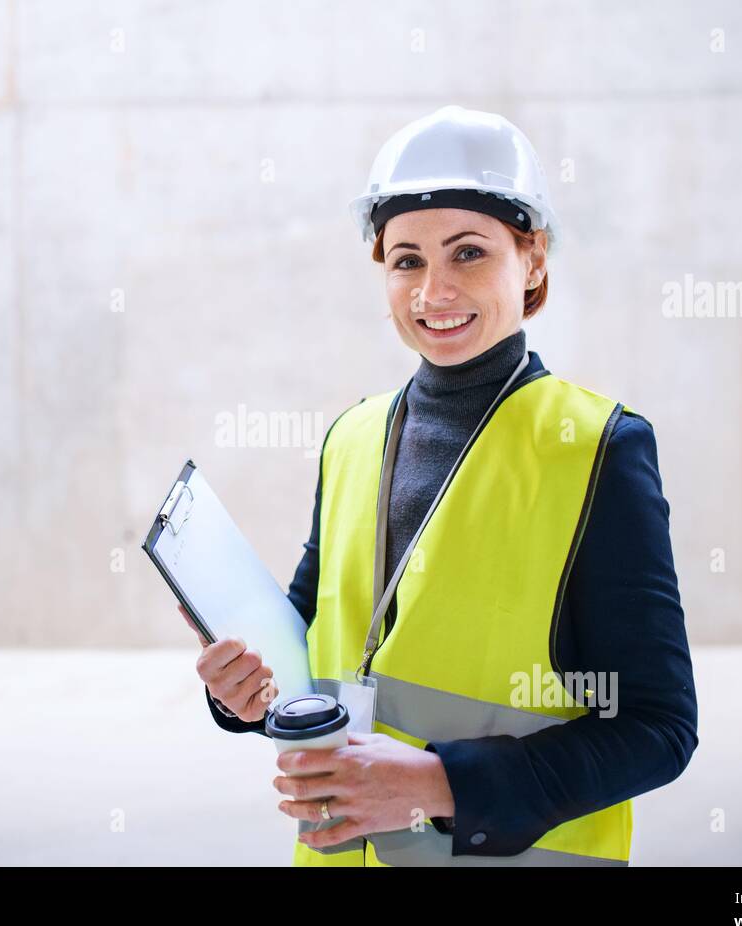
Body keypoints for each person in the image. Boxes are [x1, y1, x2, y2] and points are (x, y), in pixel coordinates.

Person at [186, 106, 698, 867]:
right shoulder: (354, 438)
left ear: (532, 260)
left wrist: (441, 784)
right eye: (407, 260)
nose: (434, 291)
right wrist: (245, 691)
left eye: (468, 253)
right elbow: (320, 637)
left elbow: (658, 729)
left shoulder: (598, 450)